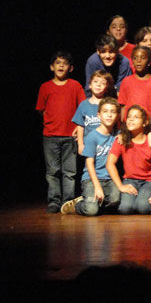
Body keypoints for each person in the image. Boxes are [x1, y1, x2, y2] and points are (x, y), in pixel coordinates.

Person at [36, 51, 86, 213]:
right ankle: (54, 200)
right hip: (50, 136)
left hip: (70, 136)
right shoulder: (45, 87)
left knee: (69, 172)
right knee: (52, 171)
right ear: (52, 67)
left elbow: (83, 107)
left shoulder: (75, 85)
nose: (61, 65)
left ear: (70, 68)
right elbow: (41, 110)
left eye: (65, 63)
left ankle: (67, 201)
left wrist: (78, 130)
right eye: (58, 63)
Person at [61, 97, 121, 216]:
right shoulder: (92, 137)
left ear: (117, 116)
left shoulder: (118, 135)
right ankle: (79, 204)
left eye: (112, 112)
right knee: (91, 211)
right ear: (98, 115)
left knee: (116, 201)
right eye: (105, 111)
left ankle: (93, 200)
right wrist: (97, 186)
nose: (109, 115)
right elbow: (89, 164)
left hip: (110, 179)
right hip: (91, 178)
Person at [106, 105, 151, 214]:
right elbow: (110, 163)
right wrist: (121, 186)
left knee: (143, 208)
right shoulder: (122, 139)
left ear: (145, 123)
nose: (131, 119)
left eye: (136, 117)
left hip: (149, 181)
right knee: (125, 209)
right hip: (130, 180)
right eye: (129, 117)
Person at [72, 69, 115, 155]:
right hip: (89, 145)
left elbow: (116, 124)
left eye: (103, 83)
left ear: (106, 88)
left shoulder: (109, 104)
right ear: (90, 85)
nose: (98, 85)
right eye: (95, 81)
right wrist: (80, 144)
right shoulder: (83, 105)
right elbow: (80, 126)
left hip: (106, 145)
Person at [118, 46, 151, 127]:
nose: (139, 61)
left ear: (149, 62)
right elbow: (123, 107)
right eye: (135, 58)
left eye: (143, 58)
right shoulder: (126, 82)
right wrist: (123, 127)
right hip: (131, 127)